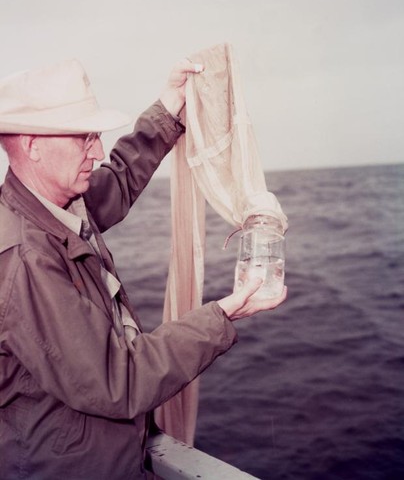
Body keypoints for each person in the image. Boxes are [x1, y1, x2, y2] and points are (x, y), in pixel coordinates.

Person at [0, 58, 287, 480]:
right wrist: (222, 315)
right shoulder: (25, 259)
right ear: (31, 144)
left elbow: (116, 181)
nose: (96, 151)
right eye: (84, 137)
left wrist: (167, 112)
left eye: (96, 137)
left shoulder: (56, 205)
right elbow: (120, 379)